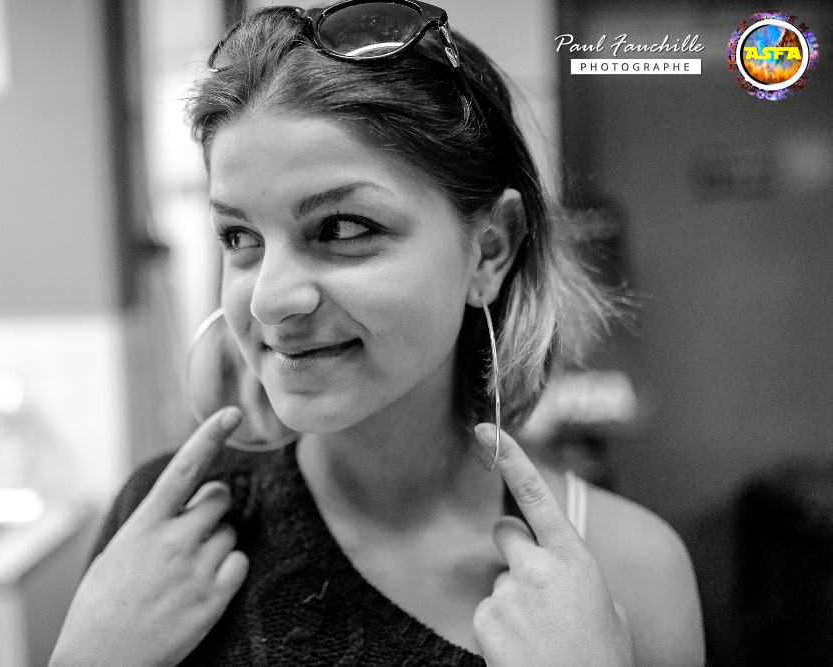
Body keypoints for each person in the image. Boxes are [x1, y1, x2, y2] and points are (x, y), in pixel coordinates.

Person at [50, 2, 704, 665]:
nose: (270, 300)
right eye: (239, 236)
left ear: (490, 250)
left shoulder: (629, 573)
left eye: (342, 228)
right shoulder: (162, 532)